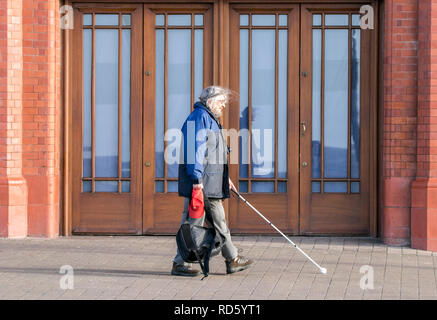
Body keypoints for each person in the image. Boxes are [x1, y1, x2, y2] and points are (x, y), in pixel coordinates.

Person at [171, 86, 254, 277]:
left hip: (209, 180)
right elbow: (195, 150)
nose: (224, 105)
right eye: (221, 102)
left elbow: (213, 154)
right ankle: (229, 260)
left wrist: (226, 178)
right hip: (203, 183)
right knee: (202, 222)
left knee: (201, 221)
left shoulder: (209, 118)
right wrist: (197, 178)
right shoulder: (200, 117)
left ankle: (184, 262)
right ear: (210, 102)